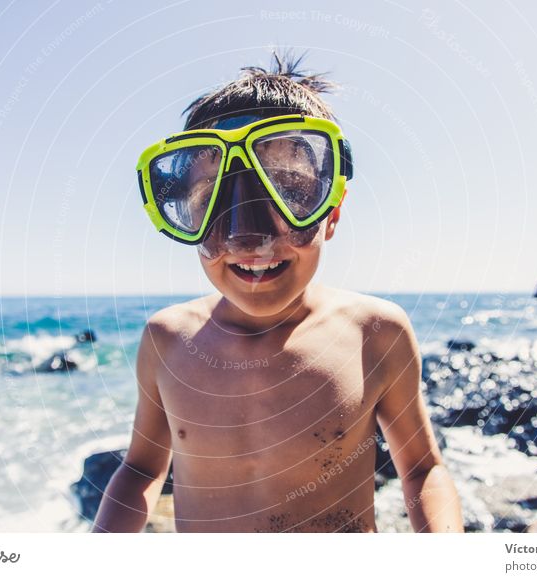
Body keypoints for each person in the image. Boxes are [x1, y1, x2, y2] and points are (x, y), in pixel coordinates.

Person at [92, 52, 464, 533]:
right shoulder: (167, 340)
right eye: (212, 201)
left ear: (331, 211)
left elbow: (420, 468)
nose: (248, 236)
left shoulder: (375, 332)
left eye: (288, 190)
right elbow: (142, 469)